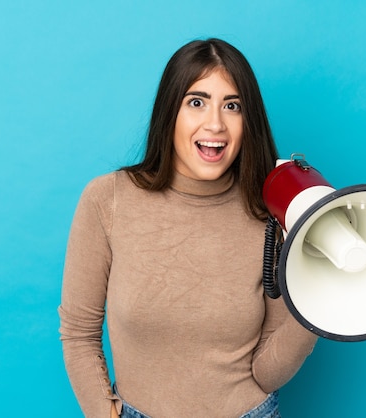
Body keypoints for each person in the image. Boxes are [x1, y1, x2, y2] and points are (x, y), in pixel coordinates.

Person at [58, 38, 317, 418]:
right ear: (170, 113)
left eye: (233, 106)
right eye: (197, 102)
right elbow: (79, 333)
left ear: (248, 121)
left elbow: (267, 372)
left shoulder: (270, 212)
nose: (215, 123)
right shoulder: (107, 199)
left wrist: (319, 303)